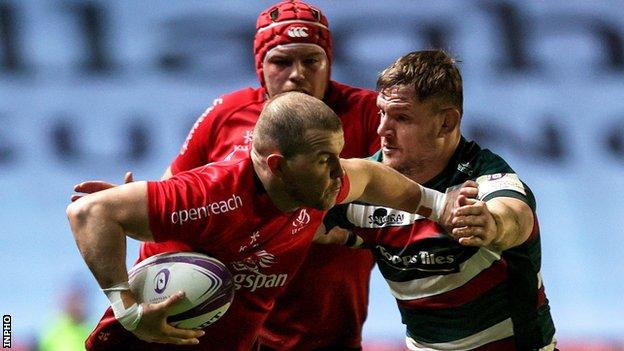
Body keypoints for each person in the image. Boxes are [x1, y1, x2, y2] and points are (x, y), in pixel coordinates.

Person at [74, 1, 381, 349]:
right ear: (260, 66)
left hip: (321, 319)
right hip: (227, 316)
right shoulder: (226, 112)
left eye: (311, 60)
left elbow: (395, 203)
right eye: (281, 61)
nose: (297, 74)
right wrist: (140, 203)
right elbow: (175, 186)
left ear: (328, 62)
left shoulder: (369, 114)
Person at [67, 92, 478, 350]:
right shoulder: (213, 194)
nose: (339, 172)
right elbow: (88, 211)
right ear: (278, 165)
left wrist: (440, 206)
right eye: (324, 159)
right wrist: (129, 310)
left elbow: (371, 176)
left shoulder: (317, 184)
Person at [321, 50, 557, 350]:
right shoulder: (368, 183)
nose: (383, 130)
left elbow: (515, 216)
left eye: (402, 118)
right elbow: (303, 220)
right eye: (382, 112)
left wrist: (492, 224)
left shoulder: (486, 179)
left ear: (446, 123)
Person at [39, 283, 92, 351]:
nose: (76, 306)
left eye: (79, 302)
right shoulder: (52, 328)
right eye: (73, 301)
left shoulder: (94, 329)